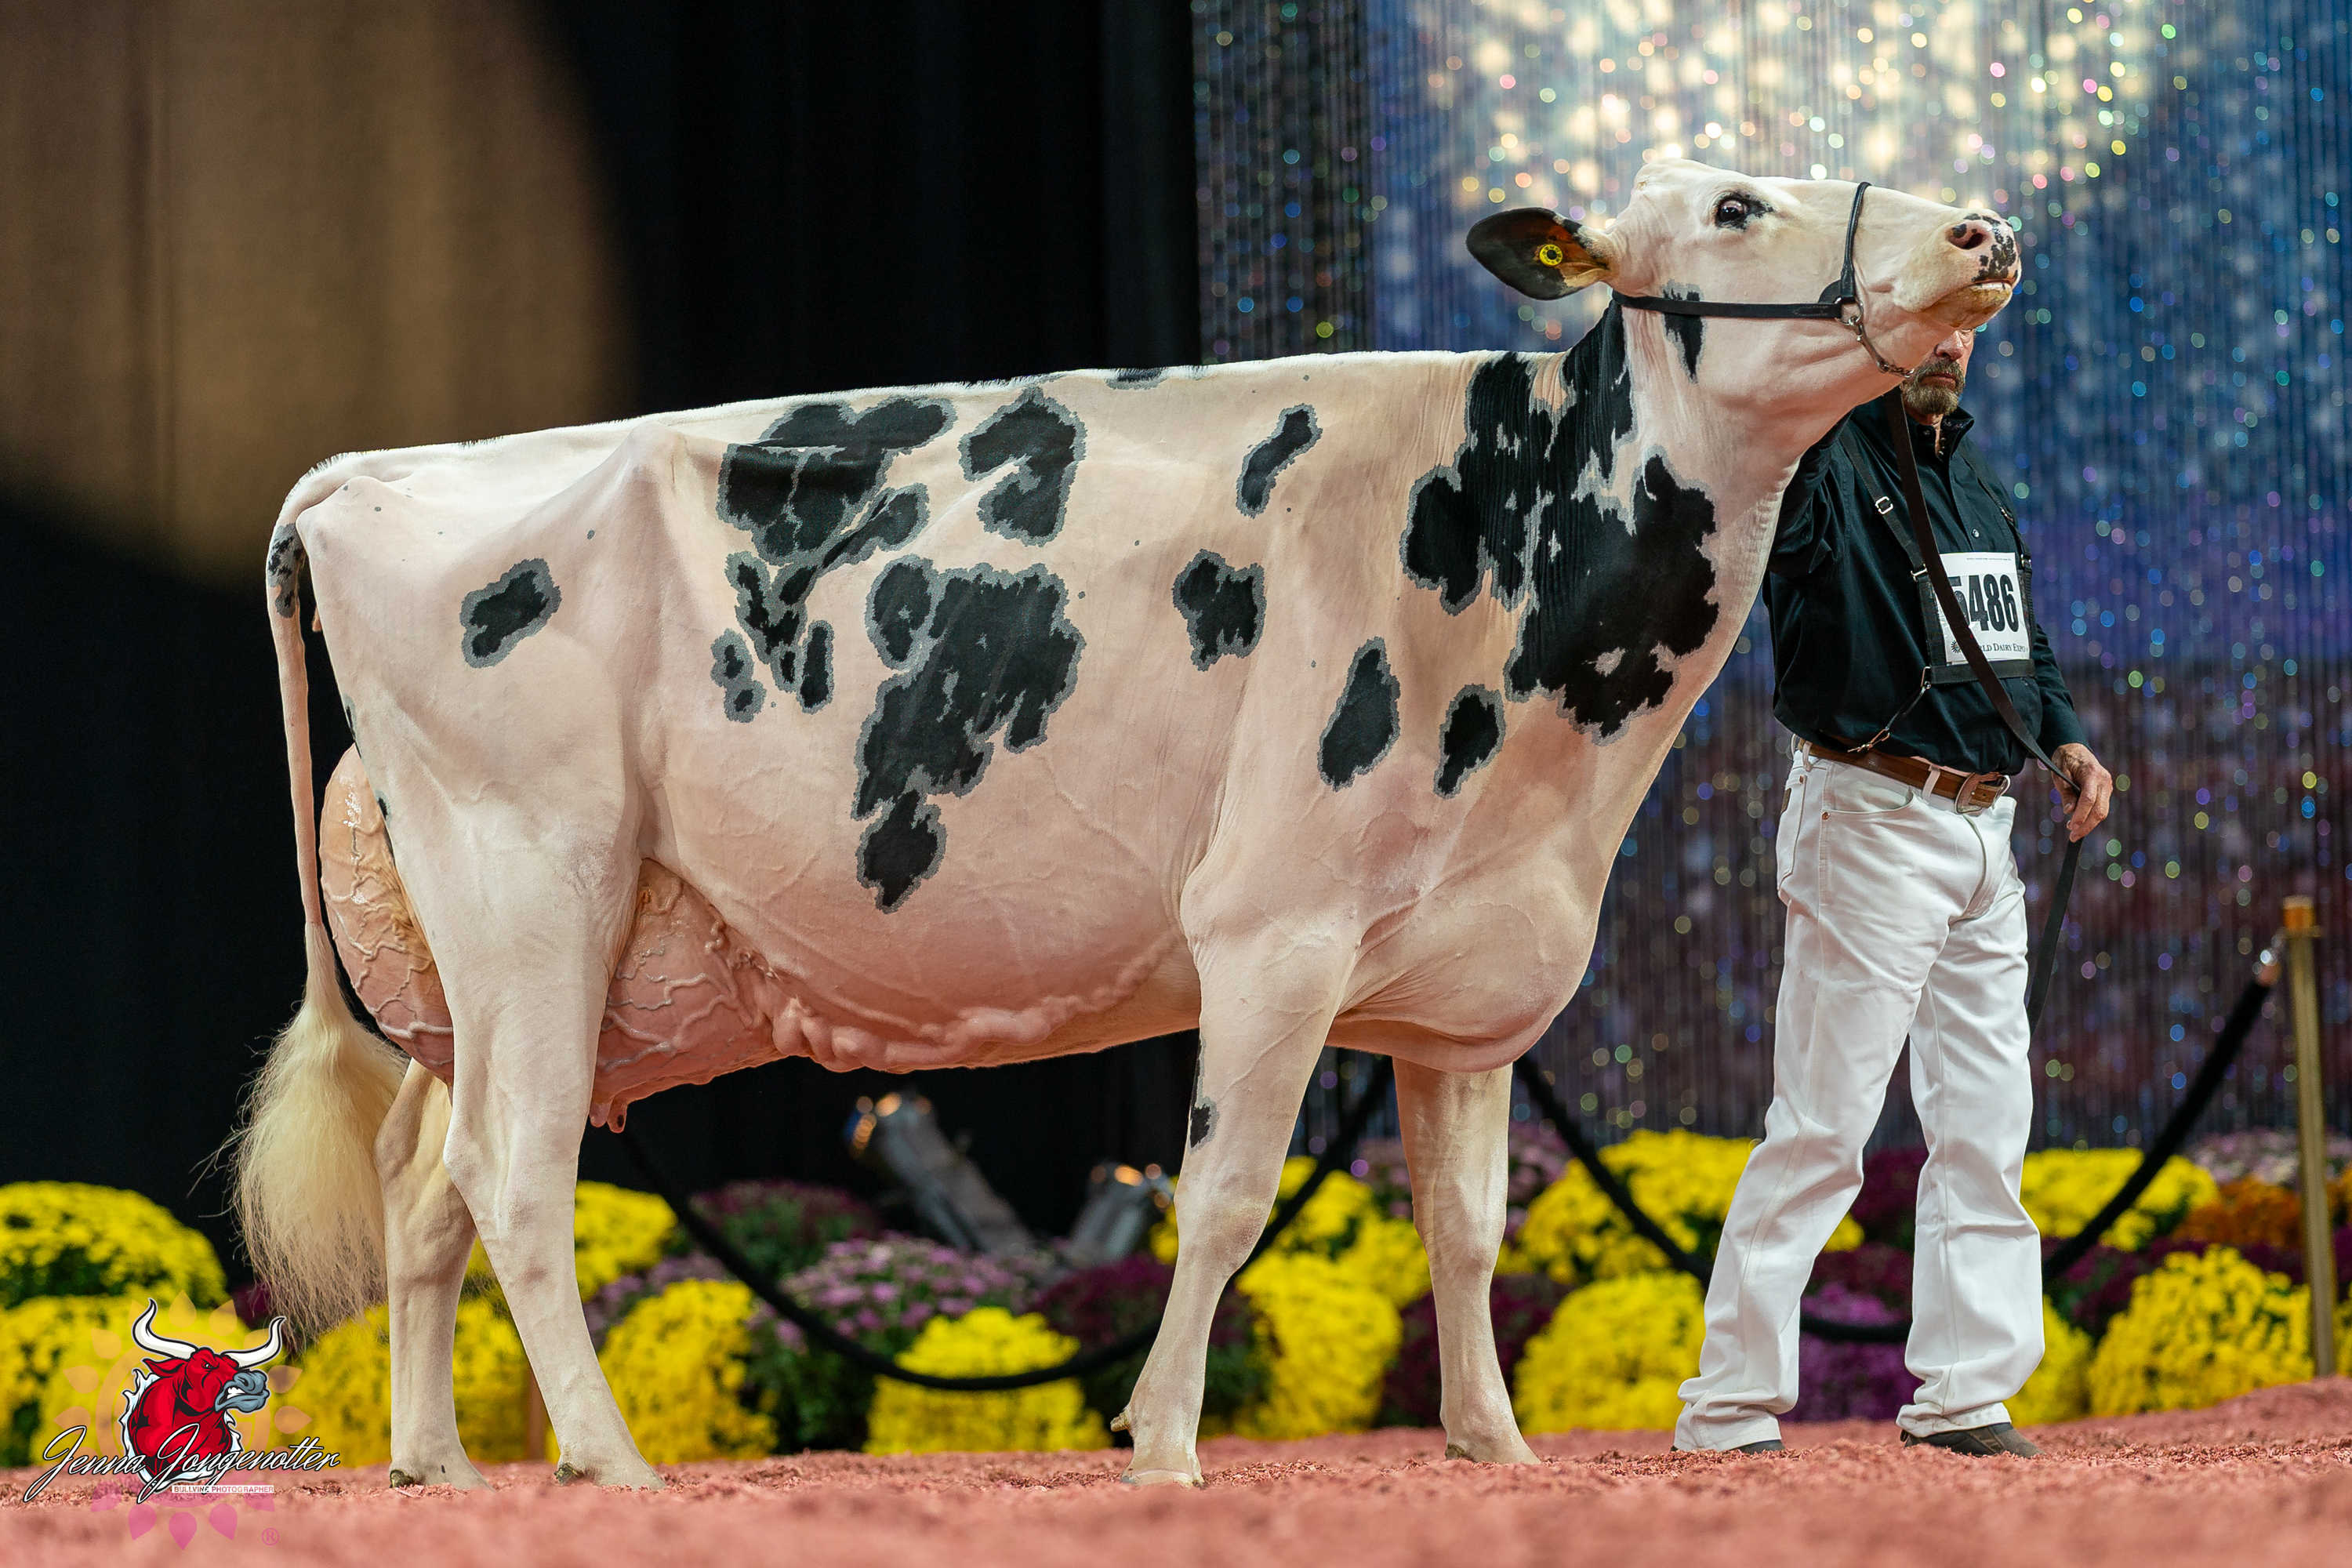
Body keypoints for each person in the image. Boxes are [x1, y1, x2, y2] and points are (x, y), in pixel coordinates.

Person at [1673, 325, 2113, 1457]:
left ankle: (1966, 1393)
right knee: (1826, 1123)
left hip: (1987, 823)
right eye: (1929, 320)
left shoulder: (1972, 473)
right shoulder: (1820, 455)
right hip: (1870, 812)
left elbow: (2019, 637)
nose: (1951, 344)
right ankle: (1729, 1403)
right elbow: (1764, 527)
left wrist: (2064, 737)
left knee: (1987, 1125)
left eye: (1967, 326)